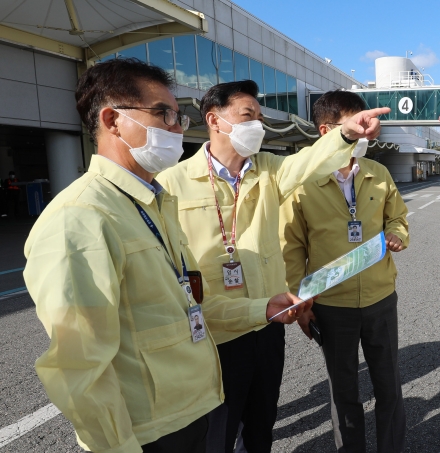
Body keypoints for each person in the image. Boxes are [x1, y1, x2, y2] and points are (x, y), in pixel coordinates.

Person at [23, 58, 305, 453]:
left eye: (177, 116)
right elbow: (80, 371)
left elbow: (190, 307)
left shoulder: (154, 203)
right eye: (163, 113)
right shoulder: (80, 218)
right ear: (112, 119)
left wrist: (260, 308)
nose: (177, 127)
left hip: (193, 410)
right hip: (149, 433)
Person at [156, 81, 389, 453]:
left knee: (262, 424)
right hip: (217, 329)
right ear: (214, 120)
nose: (258, 126)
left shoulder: (269, 169)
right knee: (218, 430)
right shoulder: (173, 183)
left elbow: (309, 162)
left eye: (260, 117)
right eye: (248, 116)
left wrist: (345, 134)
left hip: (267, 321)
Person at [280, 90, 409, 453]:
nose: (367, 134)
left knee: (388, 385)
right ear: (327, 131)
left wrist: (397, 234)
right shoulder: (302, 184)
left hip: (380, 297)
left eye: (369, 126)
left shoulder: (379, 173)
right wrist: (300, 302)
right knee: (343, 391)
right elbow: (291, 247)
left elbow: (397, 217)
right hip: (331, 305)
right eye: (359, 124)